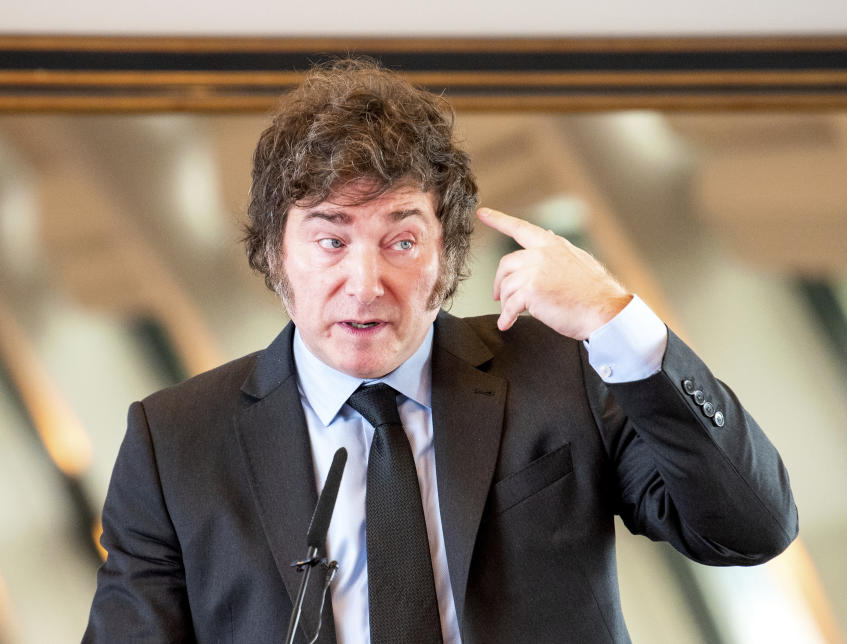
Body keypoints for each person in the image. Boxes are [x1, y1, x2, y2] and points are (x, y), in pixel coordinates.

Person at [83, 58, 797, 643]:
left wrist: (615, 320)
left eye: (401, 241)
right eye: (330, 240)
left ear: (449, 256)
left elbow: (749, 528)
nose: (364, 285)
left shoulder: (559, 371)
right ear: (275, 255)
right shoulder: (175, 440)